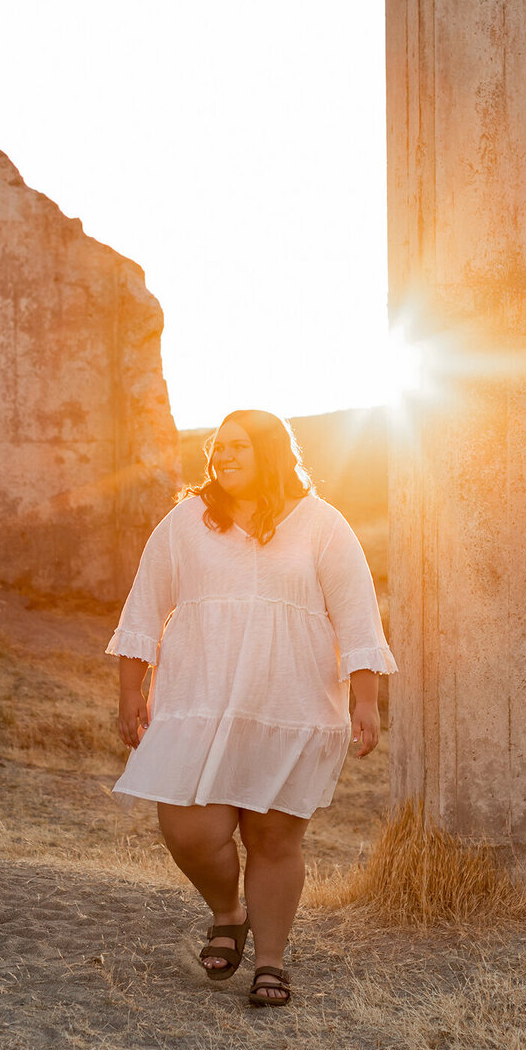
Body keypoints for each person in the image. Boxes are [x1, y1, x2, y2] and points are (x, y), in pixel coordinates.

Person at [107, 408, 397, 1008]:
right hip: (199, 705)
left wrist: (366, 698)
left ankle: (270, 960)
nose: (225, 456)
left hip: (290, 710)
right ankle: (227, 911)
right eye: (219, 447)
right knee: (188, 832)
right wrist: (131, 691)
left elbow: (357, 616)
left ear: (271, 452)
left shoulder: (322, 525)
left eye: (240, 446)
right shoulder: (187, 523)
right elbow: (143, 610)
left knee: (272, 841)